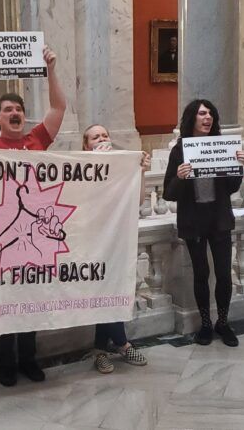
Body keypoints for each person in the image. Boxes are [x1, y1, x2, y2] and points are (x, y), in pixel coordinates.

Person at [0, 45, 66, 386]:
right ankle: (5, 363)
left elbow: (59, 107)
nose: (15, 112)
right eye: (8, 109)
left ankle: (29, 360)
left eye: (19, 108)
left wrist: (51, 69)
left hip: (34, 236)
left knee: (30, 297)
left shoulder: (37, 140)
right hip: (2, 233)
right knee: (1, 299)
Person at [162, 100, 244, 346]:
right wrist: (180, 177)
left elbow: (231, 188)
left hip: (219, 218)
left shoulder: (222, 146)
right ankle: (205, 324)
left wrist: (238, 167)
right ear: (192, 118)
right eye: (202, 113)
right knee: (201, 274)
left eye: (210, 113)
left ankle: (223, 322)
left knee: (223, 274)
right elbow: (169, 193)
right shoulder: (179, 150)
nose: (207, 117)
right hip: (193, 220)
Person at [81, 124, 150, 373]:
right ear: (86, 146)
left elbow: (139, 200)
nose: (101, 138)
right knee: (102, 291)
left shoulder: (121, 167)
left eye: (105, 135)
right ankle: (121, 343)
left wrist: (140, 171)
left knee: (112, 290)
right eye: (95, 137)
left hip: (117, 239)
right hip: (92, 241)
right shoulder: (79, 168)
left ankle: (101, 349)